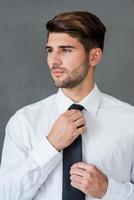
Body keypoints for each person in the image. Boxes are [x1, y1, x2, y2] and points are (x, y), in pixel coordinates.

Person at [0, 10, 134, 200]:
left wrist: (108, 190)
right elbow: (5, 195)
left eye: (65, 50)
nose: (53, 61)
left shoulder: (130, 122)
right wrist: (50, 146)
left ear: (94, 57)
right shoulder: (24, 122)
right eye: (50, 50)